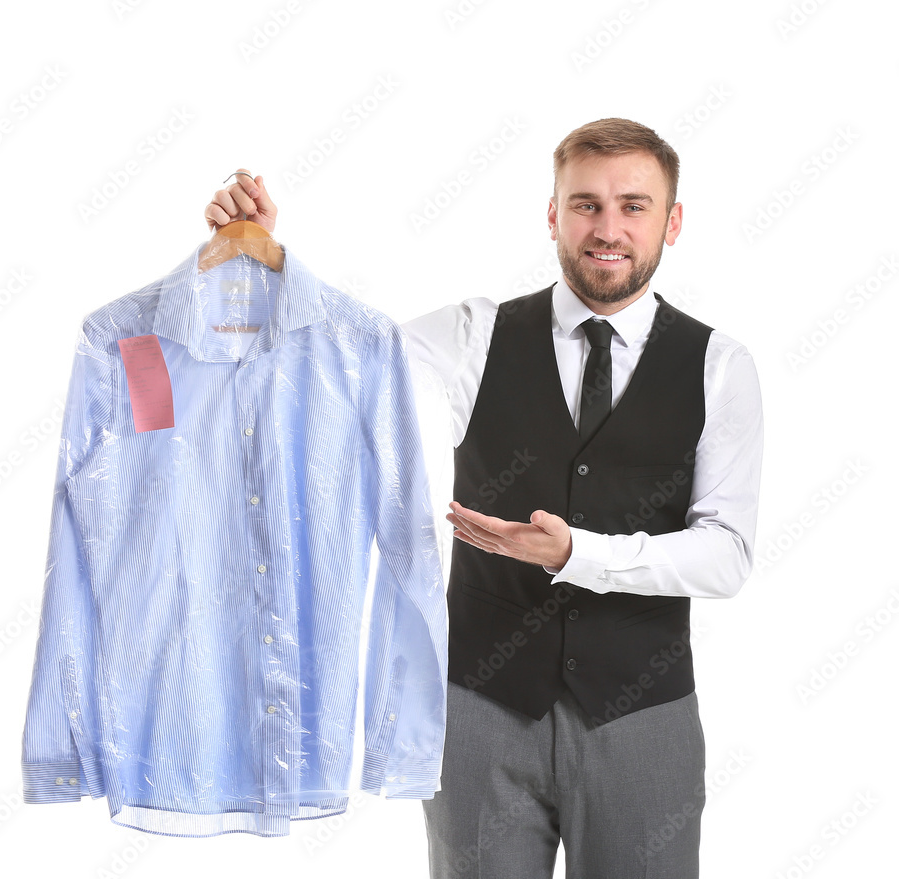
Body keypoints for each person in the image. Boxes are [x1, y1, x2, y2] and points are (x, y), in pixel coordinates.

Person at [203, 117, 763, 879]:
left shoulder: (720, 366)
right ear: (553, 215)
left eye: (634, 205)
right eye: (586, 204)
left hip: (644, 716)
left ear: (673, 220)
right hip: (481, 710)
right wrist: (267, 264)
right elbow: (344, 365)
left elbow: (727, 554)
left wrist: (579, 553)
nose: (608, 227)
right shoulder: (476, 334)